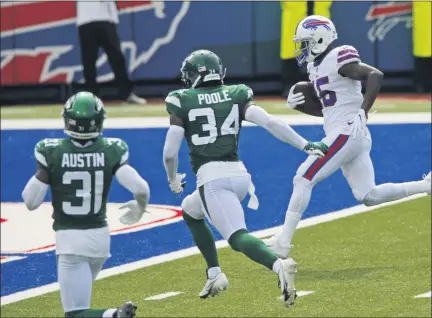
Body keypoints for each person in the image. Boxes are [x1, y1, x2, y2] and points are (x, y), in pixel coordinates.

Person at [162, 50, 329, 307]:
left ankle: (278, 265)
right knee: (190, 210)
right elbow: (269, 121)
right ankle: (214, 273)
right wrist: (305, 144)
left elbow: (169, 152)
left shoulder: (181, 99)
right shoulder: (236, 93)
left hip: (212, 179)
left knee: (237, 238)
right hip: (239, 175)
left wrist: (173, 180)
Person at [264, 15, 432, 258]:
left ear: (320, 38)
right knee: (369, 195)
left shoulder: (338, 56)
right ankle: (426, 186)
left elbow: (375, 75)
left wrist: (362, 112)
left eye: (306, 42)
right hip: (346, 132)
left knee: (303, 178)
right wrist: (299, 106)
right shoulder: (315, 67)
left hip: (348, 131)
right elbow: (328, 109)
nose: (302, 48)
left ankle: (283, 242)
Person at [21, 92, 150, 317]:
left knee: (75, 313)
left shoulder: (51, 151)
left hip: (71, 242)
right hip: (100, 240)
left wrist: (45, 172)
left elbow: (30, 202)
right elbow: (141, 188)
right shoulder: (112, 148)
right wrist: (139, 208)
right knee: (80, 306)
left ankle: (115, 314)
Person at [76, 0, 146, 104]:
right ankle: (91, 96)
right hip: (87, 20)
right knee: (89, 60)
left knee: (117, 58)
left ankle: (126, 93)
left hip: (107, 20)